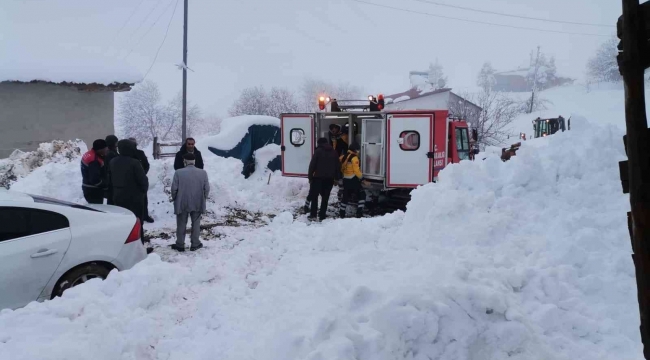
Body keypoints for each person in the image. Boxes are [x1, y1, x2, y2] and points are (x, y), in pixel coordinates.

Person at [110, 140, 152, 253]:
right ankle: (139, 249)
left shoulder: (113, 161)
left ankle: (123, 249)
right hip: (135, 198)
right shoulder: (134, 162)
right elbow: (143, 181)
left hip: (118, 197)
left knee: (123, 223)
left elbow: (109, 180)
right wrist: (143, 192)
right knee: (137, 223)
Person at [170, 153, 210, 252]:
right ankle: (195, 243)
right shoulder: (203, 173)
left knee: (181, 224)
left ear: (185, 161)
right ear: (194, 161)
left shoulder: (178, 172)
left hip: (182, 202)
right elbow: (207, 189)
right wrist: (203, 198)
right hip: (197, 201)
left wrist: (175, 198)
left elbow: (174, 189)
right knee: (196, 223)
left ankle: (180, 244)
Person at [306, 138, 340, 221]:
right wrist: (337, 178)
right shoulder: (334, 152)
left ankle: (313, 215)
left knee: (314, 196)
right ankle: (322, 215)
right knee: (325, 197)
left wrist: (310, 177)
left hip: (317, 178)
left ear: (319, 143)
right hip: (329, 179)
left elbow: (312, 165)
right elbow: (338, 166)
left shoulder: (318, 151)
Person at [339, 142, 368, 219]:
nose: (358, 151)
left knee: (345, 197)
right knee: (362, 195)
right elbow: (356, 171)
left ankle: (341, 213)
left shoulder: (343, 156)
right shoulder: (354, 158)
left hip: (345, 179)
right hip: (353, 180)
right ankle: (359, 213)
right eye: (358, 150)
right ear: (355, 150)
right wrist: (363, 179)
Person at [128, 137, 154, 223]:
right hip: (129, 181)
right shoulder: (125, 155)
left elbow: (146, 165)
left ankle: (145, 216)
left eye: (133, 144)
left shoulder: (140, 153)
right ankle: (133, 217)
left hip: (141, 180)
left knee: (143, 199)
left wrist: (142, 174)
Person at [81, 139, 108, 204]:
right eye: (105, 148)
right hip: (93, 190)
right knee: (96, 211)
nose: (106, 150)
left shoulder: (89, 154)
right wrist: (105, 185)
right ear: (100, 149)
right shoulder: (94, 160)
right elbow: (94, 179)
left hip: (88, 187)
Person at [104, 135, 119, 205]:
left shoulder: (106, 152)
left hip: (109, 182)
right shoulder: (111, 154)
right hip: (112, 183)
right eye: (116, 143)